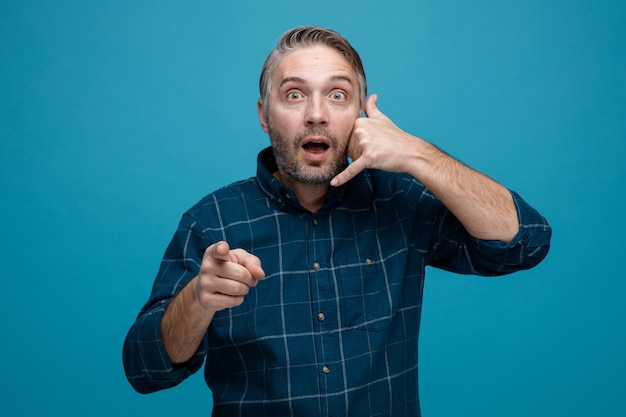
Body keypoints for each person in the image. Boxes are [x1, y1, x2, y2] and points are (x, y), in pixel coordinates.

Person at [123, 26, 551, 416]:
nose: (316, 114)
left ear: (359, 115)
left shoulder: (400, 201)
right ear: (263, 115)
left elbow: (525, 243)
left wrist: (418, 155)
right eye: (294, 95)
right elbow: (144, 370)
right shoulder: (210, 221)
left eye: (337, 95)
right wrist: (198, 297)